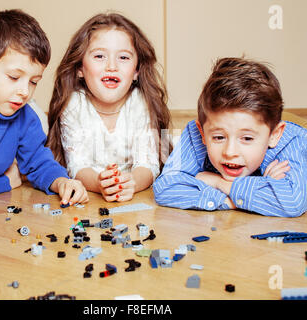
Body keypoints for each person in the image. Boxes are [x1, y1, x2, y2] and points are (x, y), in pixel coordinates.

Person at [0, 9, 88, 205]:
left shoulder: (22, 114)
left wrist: (61, 182)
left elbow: (38, 161)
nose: (25, 92)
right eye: (14, 77)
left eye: (33, 82)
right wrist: (4, 182)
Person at [153, 57, 307, 217]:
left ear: (274, 135)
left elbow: (291, 201)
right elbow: (165, 187)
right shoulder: (196, 133)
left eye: (247, 139)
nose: (230, 152)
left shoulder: (293, 142)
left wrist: (221, 184)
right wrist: (245, 195)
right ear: (202, 132)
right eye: (219, 137)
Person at [46, 13, 171, 202]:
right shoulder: (73, 105)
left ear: (136, 71)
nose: (111, 66)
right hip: (91, 195)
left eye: (123, 57)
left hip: (135, 196)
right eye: (99, 56)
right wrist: (99, 183)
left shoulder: (141, 103)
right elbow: (77, 166)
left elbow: (148, 164)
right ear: (80, 68)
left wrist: (132, 183)